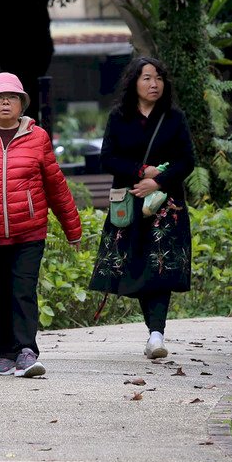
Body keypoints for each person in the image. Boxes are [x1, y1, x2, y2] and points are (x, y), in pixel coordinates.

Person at [0, 72, 82, 378]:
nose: (5, 102)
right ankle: (6, 353)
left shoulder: (38, 138)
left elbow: (56, 186)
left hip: (29, 231)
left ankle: (26, 351)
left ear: (22, 103)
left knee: (23, 290)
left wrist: (72, 228)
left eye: (12, 98)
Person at [89, 56, 195, 359]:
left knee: (159, 268)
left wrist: (158, 181)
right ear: (134, 81)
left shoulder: (174, 118)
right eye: (147, 77)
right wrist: (141, 172)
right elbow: (107, 158)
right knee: (137, 266)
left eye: (159, 78)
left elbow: (187, 160)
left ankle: (156, 334)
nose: (154, 84)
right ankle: (154, 332)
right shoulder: (119, 117)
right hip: (129, 204)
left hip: (166, 206)